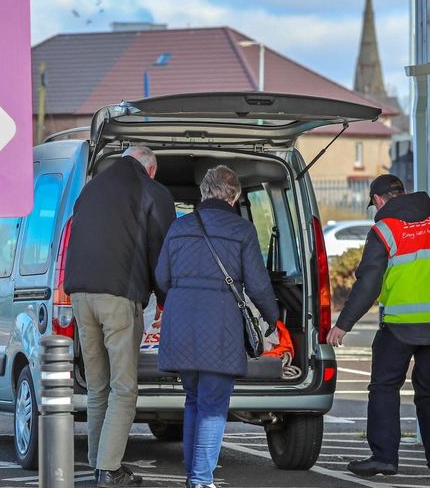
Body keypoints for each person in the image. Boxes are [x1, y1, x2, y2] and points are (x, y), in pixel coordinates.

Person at [326, 174, 430, 485]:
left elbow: (369, 283)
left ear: (378, 200)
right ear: (402, 193)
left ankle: (384, 457)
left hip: (399, 326)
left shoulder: (384, 230)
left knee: (384, 388)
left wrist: (343, 325)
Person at [155, 166, 279, 488]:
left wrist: (184, 297)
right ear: (235, 196)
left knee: (194, 398)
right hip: (220, 324)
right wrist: (271, 318)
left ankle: (193, 473)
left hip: (180, 324)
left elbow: (162, 278)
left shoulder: (178, 228)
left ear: (203, 193)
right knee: (213, 404)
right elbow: (258, 284)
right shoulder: (242, 230)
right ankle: (200, 479)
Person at [64, 146, 176, 487]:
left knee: (97, 385)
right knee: (124, 388)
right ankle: (110, 470)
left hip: (80, 295)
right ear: (151, 169)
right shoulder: (152, 191)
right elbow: (163, 252)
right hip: (118, 296)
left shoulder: (90, 188)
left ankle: (100, 465)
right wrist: (165, 300)